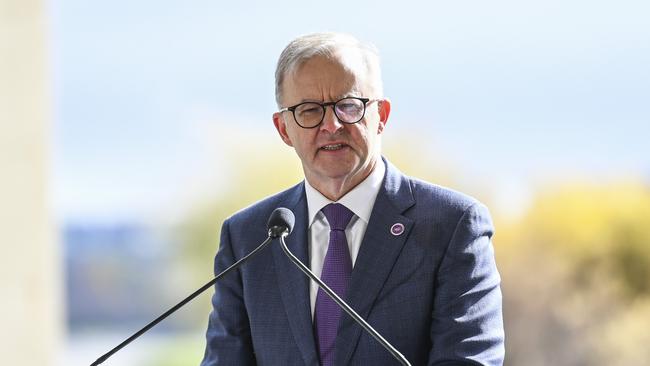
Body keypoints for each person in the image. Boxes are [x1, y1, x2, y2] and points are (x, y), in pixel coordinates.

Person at [201, 32, 504, 366]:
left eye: (348, 106)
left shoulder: (453, 225)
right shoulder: (249, 236)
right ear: (284, 129)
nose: (331, 125)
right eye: (309, 110)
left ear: (381, 116)